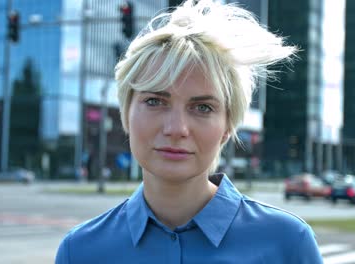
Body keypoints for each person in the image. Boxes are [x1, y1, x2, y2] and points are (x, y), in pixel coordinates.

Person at [56, 1, 323, 263]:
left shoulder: (288, 243)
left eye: (203, 107)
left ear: (228, 127)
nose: (176, 129)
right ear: (126, 113)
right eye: (154, 101)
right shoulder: (80, 251)